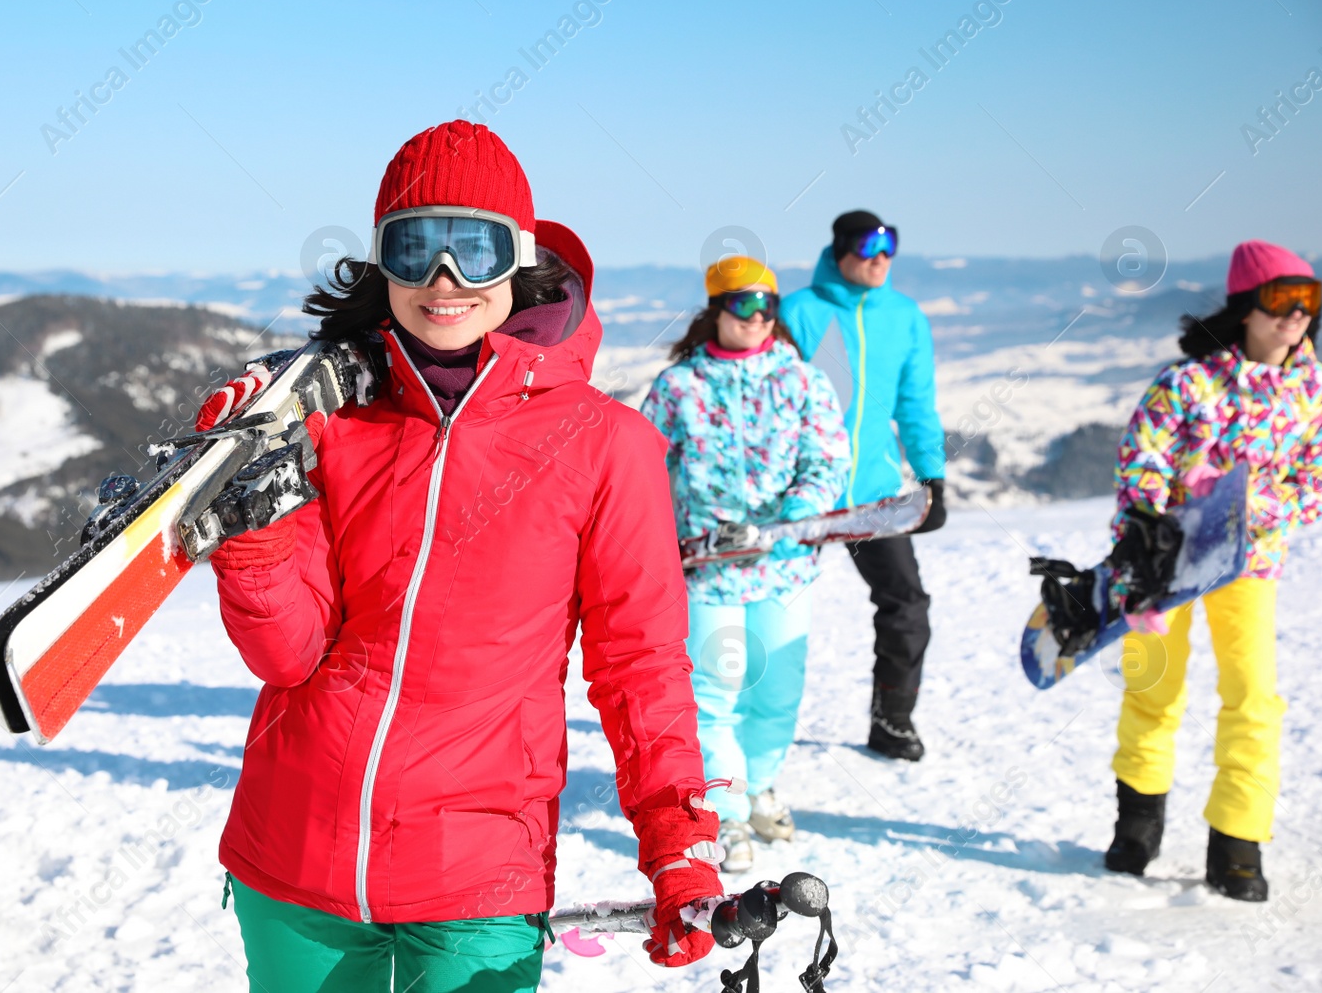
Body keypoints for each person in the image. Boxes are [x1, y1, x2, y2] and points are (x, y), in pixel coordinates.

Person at [194, 123, 723, 991]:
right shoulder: (337, 423)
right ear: (382, 264)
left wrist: (678, 843)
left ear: (518, 257)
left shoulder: (604, 446)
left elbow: (641, 666)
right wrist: (255, 534)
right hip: (292, 859)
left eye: (473, 249)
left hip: (477, 873)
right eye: (416, 248)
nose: (444, 282)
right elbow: (287, 654)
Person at [1103, 239, 1322, 902]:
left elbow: (1321, 480)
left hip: (1249, 562)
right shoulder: (1190, 382)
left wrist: (1255, 504)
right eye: (1280, 299)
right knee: (1155, 687)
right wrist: (1145, 521)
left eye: (1308, 300)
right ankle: (1137, 823)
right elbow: (1142, 456)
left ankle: (1237, 840)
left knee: (1253, 694)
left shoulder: (1318, 392)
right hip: (1170, 561)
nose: (1295, 314)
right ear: (1245, 308)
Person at [641, 256, 849, 873]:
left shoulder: (802, 381)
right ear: (716, 310)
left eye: (768, 307)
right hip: (708, 569)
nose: (757, 319)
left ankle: (759, 787)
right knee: (715, 694)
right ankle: (726, 814)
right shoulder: (679, 387)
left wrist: (790, 518)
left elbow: (826, 461)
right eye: (742, 306)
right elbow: (646, 472)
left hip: (783, 566)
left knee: (777, 690)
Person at [779, 211, 946, 761]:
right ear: (840, 249)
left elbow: (916, 405)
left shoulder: (904, 317)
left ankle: (892, 722)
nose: (881, 257)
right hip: (801, 495)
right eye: (869, 245)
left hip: (872, 497)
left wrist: (931, 477)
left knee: (907, 606)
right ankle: (736, 725)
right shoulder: (799, 311)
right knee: (766, 607)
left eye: (890, 245)